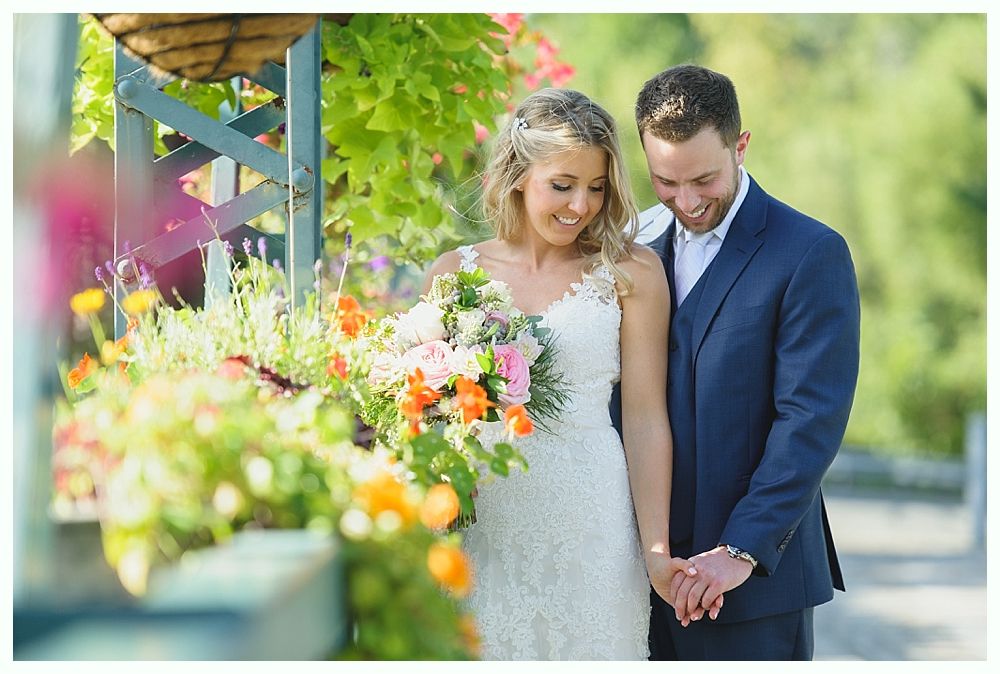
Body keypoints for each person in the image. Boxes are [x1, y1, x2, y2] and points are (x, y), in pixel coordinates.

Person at [423, 88, 697, 660]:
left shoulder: (631, 274)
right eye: (563, 185)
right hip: (484, 521)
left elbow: (646, 419)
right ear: (520, 174)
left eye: (597, 188)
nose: (581, 206)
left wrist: (654, 550)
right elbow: (424, 414)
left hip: (592, 523)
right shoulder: (455, 273)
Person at [621, 64, 861, 660]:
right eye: (665, 182)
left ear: (741, 145)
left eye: (704, 179)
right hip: (629, 580)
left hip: (751, 588)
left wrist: (739, 550)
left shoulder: (809, 252)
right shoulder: (631, 246)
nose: (686, 201)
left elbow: (809, 422)